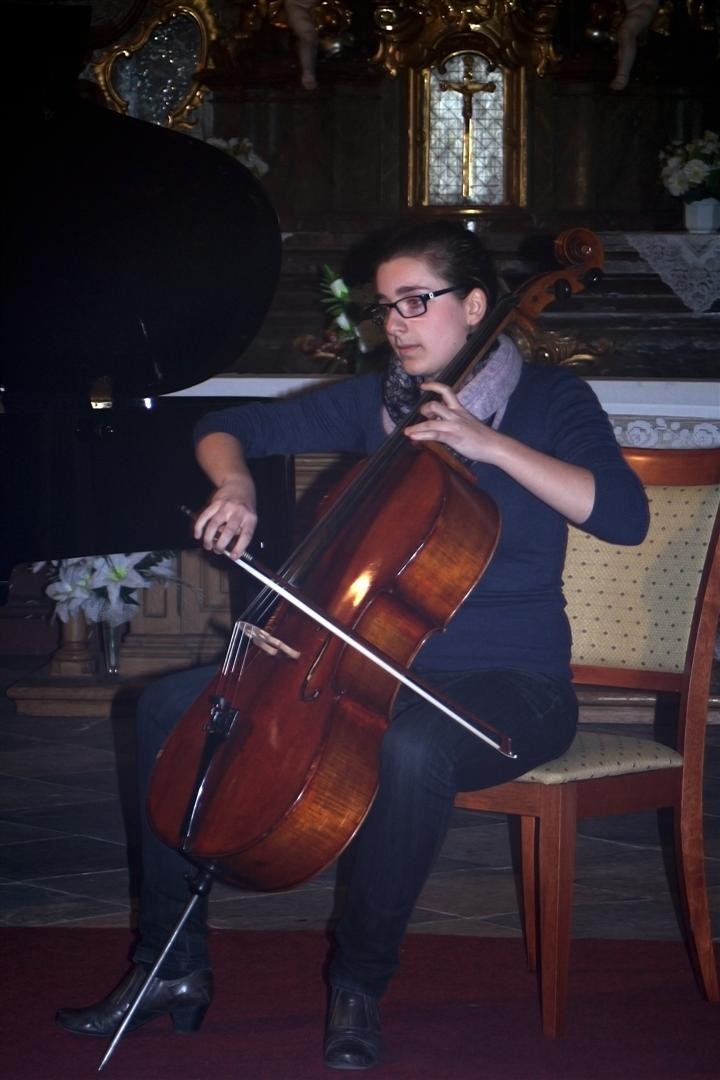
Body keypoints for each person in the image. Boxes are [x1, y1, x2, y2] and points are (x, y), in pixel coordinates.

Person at [56, 218, 649, 1069]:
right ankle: (168, 965)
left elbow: (623, 517)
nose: (396, 324)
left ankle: (359, 983)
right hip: (362, 667)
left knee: (411, 750)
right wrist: (235, 487)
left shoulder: (552, 399)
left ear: (475, 305)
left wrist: (487, 444)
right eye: (385, 307)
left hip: (512, 684)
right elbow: (224, 426)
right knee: (168, 709)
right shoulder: (382, 403)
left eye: (416, 302)